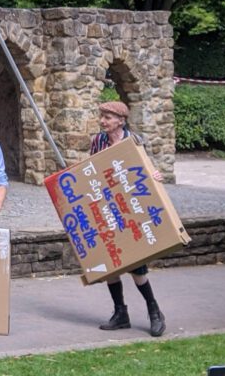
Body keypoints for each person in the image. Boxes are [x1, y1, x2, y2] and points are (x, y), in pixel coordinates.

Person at [90, 100, 166, 338]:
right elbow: (91, 169)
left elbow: (145, 169)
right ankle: (120, 313)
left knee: (137, 268)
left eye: (108, 117)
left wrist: (154, 174)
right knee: (112, 263)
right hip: (107, 207)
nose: (103, 121)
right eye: (102, 116)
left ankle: (154, 311)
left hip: (130, 208)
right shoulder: (98, 142)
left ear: (120, 121)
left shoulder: (133, 141)